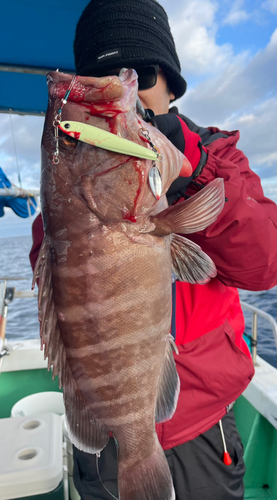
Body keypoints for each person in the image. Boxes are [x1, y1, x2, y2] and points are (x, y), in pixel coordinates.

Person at [29, 1, 277, 499]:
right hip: (107, 443)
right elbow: (60, 304)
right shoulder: (61, 221)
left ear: (170, 85)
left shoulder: (216, 161)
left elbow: (263, 264)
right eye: (98, 77)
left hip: (204, 432)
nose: (124, 92)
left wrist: (188, 174)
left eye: (138, 75)